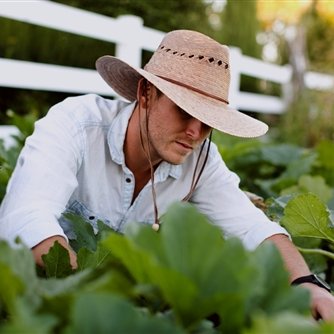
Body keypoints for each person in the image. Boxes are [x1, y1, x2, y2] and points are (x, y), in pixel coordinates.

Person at [0, 29, 333, 321]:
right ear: (146, 93)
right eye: (185, 111)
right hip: (41, 299)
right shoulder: (76, 126)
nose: (195, 131)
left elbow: (253, 226)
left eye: (208, 121)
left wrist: (307, 285)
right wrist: (100, 294)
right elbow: (26, 217)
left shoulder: (201, 160)